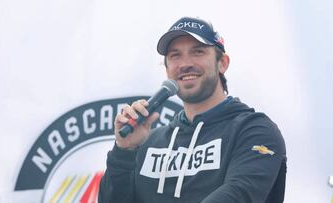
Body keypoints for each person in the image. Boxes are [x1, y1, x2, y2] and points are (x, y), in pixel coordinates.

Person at [99, 16, 287, 203]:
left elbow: (239, 195)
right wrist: (124, 151)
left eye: (197, 52)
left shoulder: (254, 131)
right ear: (167, 70)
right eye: (175, 55)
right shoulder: (150, 142)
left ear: (222, 63)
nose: (185, 64)